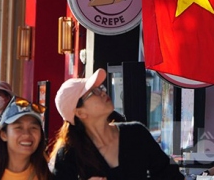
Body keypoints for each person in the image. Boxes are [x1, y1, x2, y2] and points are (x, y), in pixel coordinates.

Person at [49, 68, 184, 180]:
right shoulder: (69, 155)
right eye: (93, 92)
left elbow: (171, 176)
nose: (103, 92)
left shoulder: (136, 134)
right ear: (80, 113)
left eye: (100, 88)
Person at [0, 99, 51, 180]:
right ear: (4, 134)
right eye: (19, 127)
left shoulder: (45, 175)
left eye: (33, 128)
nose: (26, 134)